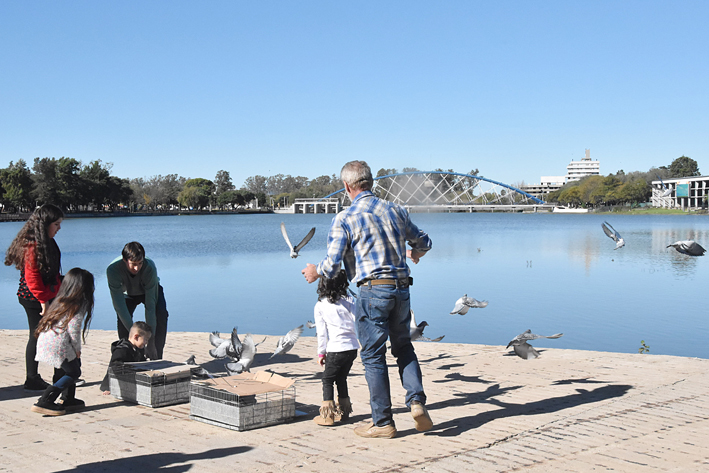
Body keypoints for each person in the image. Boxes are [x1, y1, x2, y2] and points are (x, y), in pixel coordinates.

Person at [302, 160, 433, 439]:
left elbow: (333, 264)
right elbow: (423, 242)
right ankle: (416, 402)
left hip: (373, 290)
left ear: (347, 186)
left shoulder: (345, 217)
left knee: (373, 355)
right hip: (402, 289)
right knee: (403, 347)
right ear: (370, 183)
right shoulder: (396, 210)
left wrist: (316, 271)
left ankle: (383, 422)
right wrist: (415, 254)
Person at [4, 204, 65, 392]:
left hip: (46, 295)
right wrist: (44, 302)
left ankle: (61, 375)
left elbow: (52, 271)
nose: (59, 228)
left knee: (58, 333)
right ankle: (32, 379)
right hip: (33, 298)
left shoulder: (47, 240)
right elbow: (32, 278)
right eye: (56, 224)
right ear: (45, 224)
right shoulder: (32, 245)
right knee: (36, 336)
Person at [31, 268, 94, 415]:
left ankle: (68, 398)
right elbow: (74, 329)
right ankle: (45, 400)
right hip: (59, 345)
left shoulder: (60, 300)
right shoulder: (79, 304)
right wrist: (77, 349)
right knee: (74, 371)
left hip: (47, 340)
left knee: (70, 367)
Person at [312, 270, 359, 426]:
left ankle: (327, 415)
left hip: (335, 348)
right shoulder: (350, 300)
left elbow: (322, 333)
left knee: (327, 379)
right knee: (341, 378)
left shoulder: (320, 305)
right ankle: (345, 411)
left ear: (323, 284)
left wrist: (321, 353)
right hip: (352, 347)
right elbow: (357, 322)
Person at [106, 242, 168, 359]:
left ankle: (156, 356)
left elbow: (150, 307)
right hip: (127, 292)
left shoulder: (149, 267)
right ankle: (128, 357)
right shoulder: (112, 270)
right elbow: (119, 306)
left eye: (140, 263)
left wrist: (150, 341)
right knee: (123, 321)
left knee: (160, 314)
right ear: (124, 260)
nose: (136, 268)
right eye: (133, 264)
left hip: (149, 290)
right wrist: (134, 332)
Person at [99, 321, 152, 393]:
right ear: (136, 337)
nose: (146, 342)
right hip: (112, 383)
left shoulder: (138, 349)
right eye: (145, 339)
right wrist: (111, 387)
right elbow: (115, 369)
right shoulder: (122, 350)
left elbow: (142, 362)